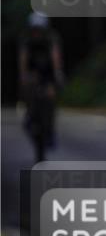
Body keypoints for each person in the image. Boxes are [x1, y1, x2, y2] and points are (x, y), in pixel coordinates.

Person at [18, 11, 65, 156]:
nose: (37, 33)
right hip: (33, 75)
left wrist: (57, 75)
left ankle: (50, 131)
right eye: (35, 30)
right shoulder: (26, 40)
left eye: (39, 30)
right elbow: (23, 59)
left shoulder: (51, 39)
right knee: (28, 93)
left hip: (48, 75)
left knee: (50, 99)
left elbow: (55, 57)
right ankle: (29, 116)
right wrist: (24, 76)